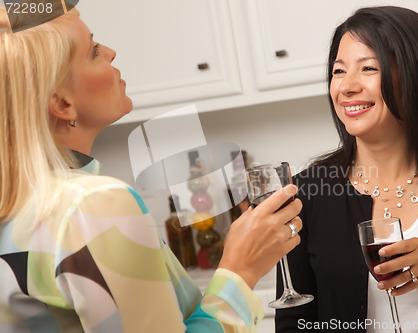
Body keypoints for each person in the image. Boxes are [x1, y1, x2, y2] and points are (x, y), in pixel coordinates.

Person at [0, 8, 304, 332]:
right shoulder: (92, 205)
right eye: (93, 50)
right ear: (63, 105)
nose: (111, 52)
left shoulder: (19, 202)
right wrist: (240, 271)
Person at [275, 6, 418, 333]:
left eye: (368, 68)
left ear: (417, 75)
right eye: (338, 71)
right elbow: (293, 322)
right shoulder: (307, 192)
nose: (347, 86)